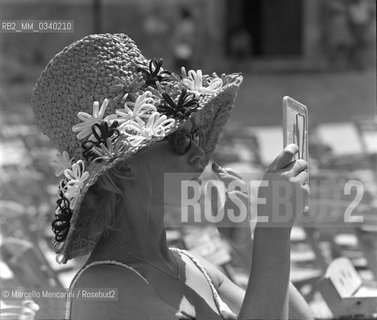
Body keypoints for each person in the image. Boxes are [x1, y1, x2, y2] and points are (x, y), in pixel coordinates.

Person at [31, 33, 314, 319]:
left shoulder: (189, 265)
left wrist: (247, 247)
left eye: (194, 136)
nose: (199, 154)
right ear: (125, 164)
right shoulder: (107, 291)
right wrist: (273, 231)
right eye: (179, 141)